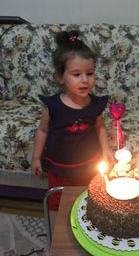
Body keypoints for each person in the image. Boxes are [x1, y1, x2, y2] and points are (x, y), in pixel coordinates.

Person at [31, 30, 114, 224]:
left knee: (89, 201)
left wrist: (106, 150)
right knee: (56, 204)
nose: (85, 80)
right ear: (60, 77)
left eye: (90, 73)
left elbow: (100, 128)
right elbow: (43, 130)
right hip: (59, 169)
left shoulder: (95, 105)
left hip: (89, 167)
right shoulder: (52, 106)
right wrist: (36, 158)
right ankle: (55, 242)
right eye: (77, 74)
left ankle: (86, 233)